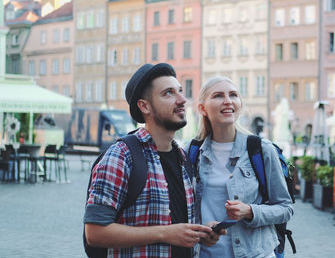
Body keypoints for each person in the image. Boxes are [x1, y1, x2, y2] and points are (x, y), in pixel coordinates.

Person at [84, 63, 221, 258]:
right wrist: (165, 233)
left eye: (180, 91)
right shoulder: (122, 155)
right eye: (168, 93)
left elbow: (177, 225)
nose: (182, 99)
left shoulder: (183, 158)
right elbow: (95, 233)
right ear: (145, 106)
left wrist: (199, 232)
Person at [191, 76, 294, 258]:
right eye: (218, 96)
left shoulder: (261, 150)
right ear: (202, 108)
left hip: (256, 254)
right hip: (206, 253)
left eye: (233, 95)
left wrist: (250, 211)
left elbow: (285, 208)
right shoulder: (191, 153)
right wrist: (199, 229)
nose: (228, 101)